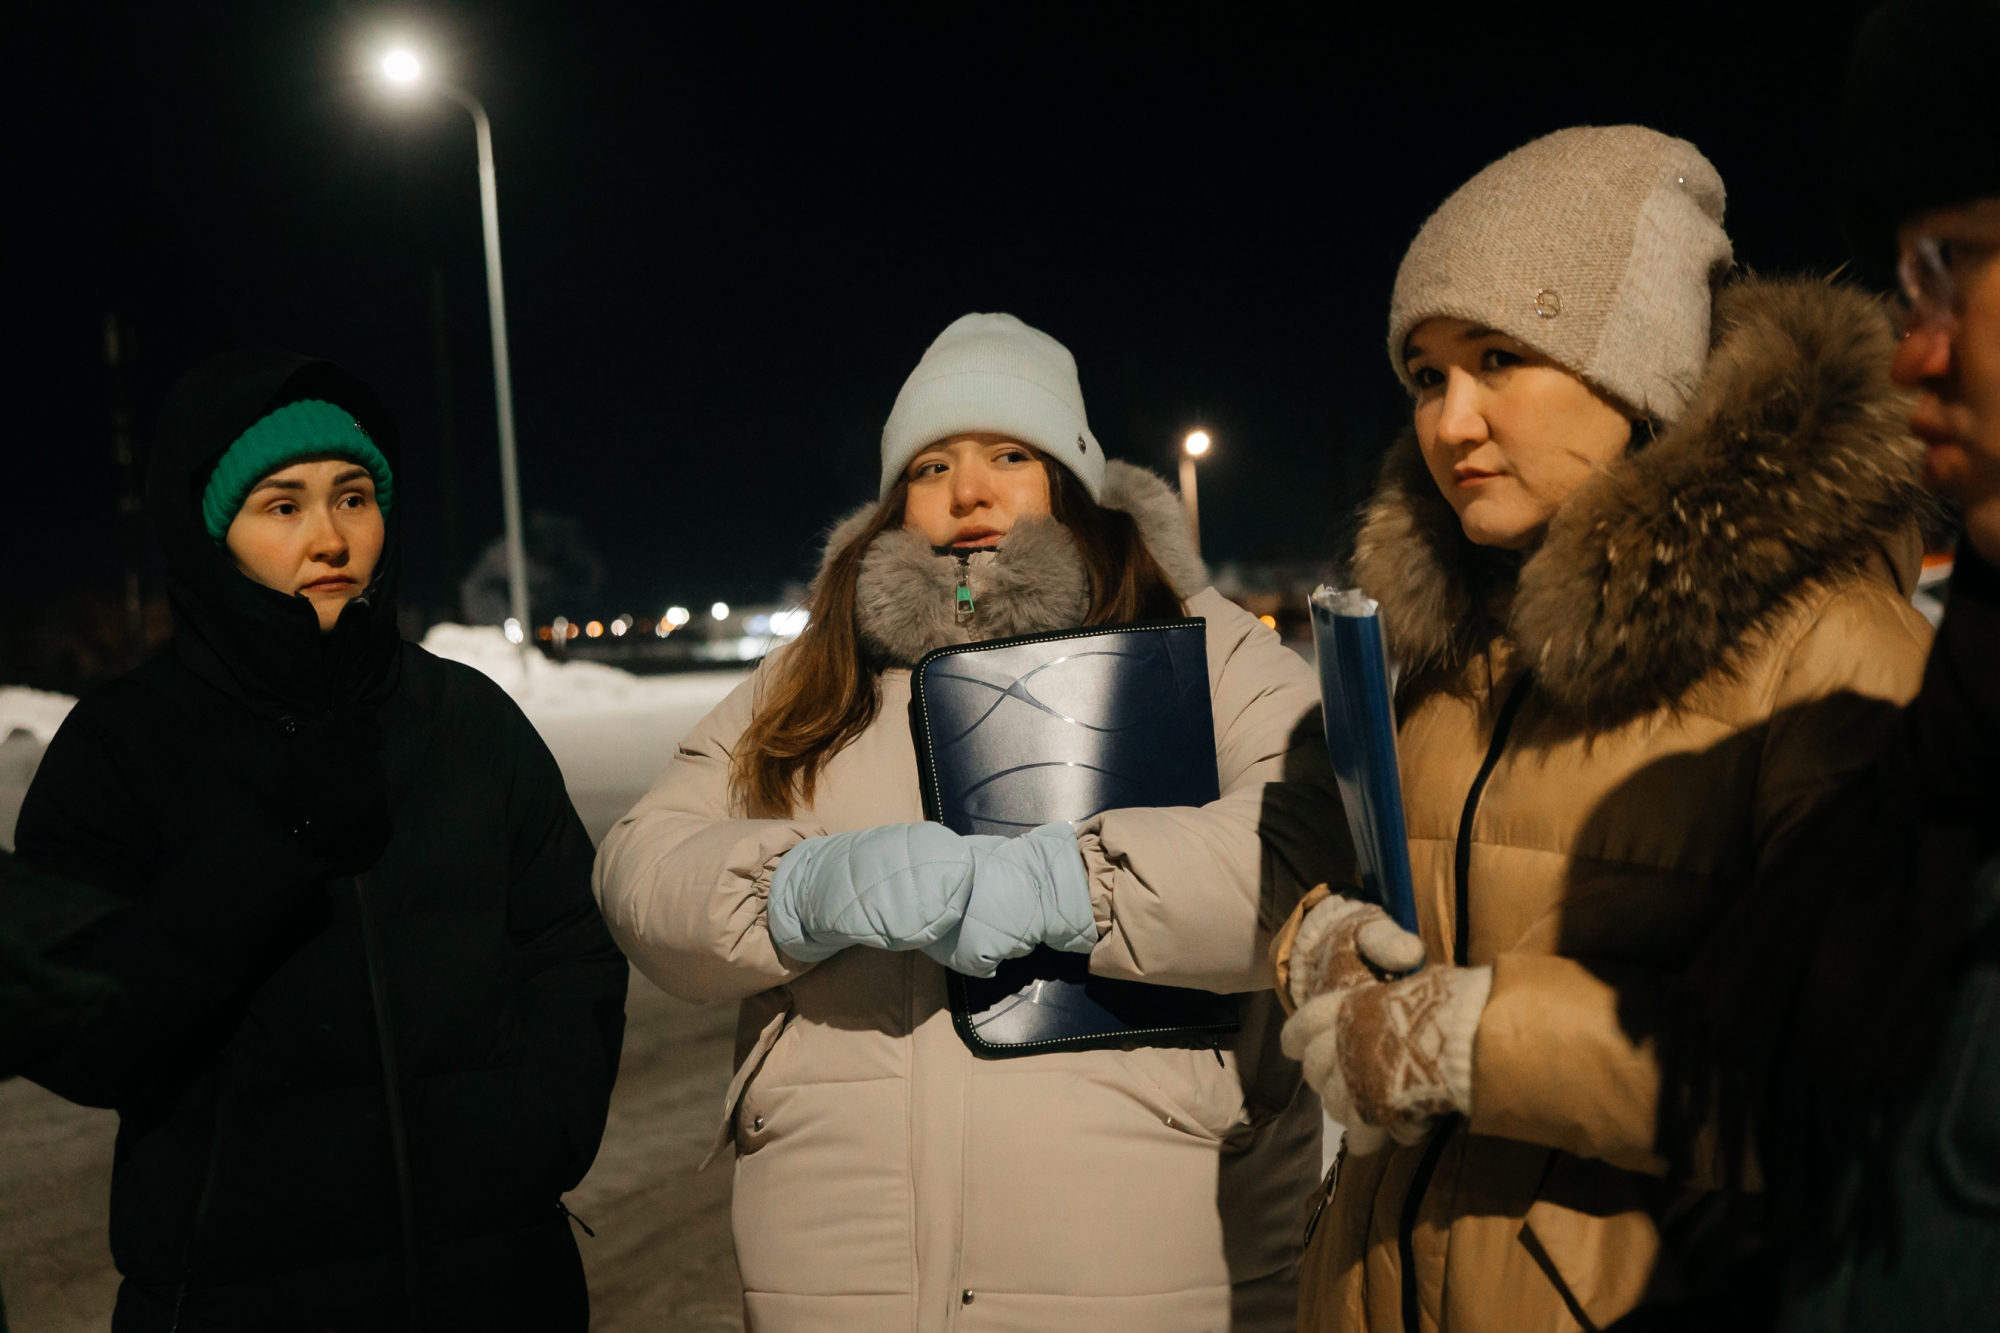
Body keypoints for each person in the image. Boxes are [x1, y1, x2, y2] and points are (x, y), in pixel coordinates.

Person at [1270, 126, 1937, 1333]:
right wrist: (1317, 942)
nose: (1451, 423)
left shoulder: (1835, 649)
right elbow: (1312, 859)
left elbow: (1873, 1067)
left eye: (1498, 358)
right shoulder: (1436, 644)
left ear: (1640, 370)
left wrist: (1479, 1042)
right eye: (1424, 376)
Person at [594, 312, 1348, 1332]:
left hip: (1119, 1264)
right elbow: (642, 866)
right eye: (930, 465)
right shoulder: (821, 672)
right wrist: (797, 891)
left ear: (1070, 482)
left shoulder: (1192, 645)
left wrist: (1067, 887)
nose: (968, 491)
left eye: (1009, 454)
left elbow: (1305, 843)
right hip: (834, 1276)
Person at [12, 349, 628, 1330]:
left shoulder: (464, 720)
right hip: (236, 1301)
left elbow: (566, 939)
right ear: (217, 533)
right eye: (283, 504)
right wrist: (273, 844)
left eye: (353, 495)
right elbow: (65, 1021)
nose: (332, 535)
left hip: (497, 1285)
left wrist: (538, 1134)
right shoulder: (127, 742)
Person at [1642, 3, 2000, 1328]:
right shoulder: (1942, 769)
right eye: (1902, 285)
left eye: (1949, 269)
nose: (1913, 355)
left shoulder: (1861, 682)